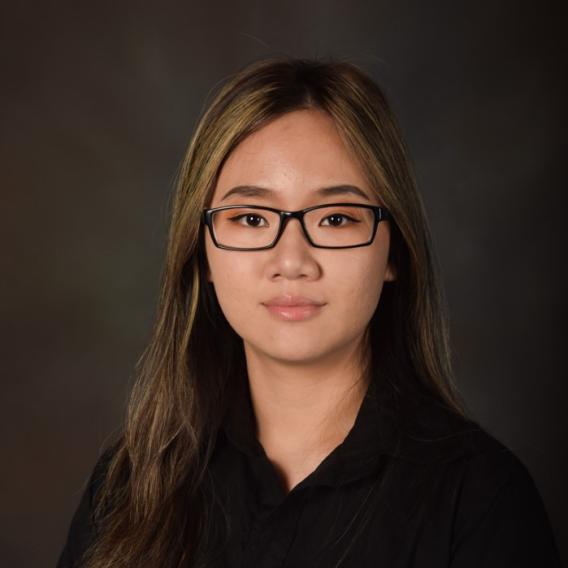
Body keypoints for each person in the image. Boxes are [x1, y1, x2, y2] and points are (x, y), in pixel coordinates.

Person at [57, 57, 562, 568]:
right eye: (251, 218)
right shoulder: (128, 487)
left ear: (394, 253)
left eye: (337, 218)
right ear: (202, 251)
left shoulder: (480, 499)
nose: (292, 262)